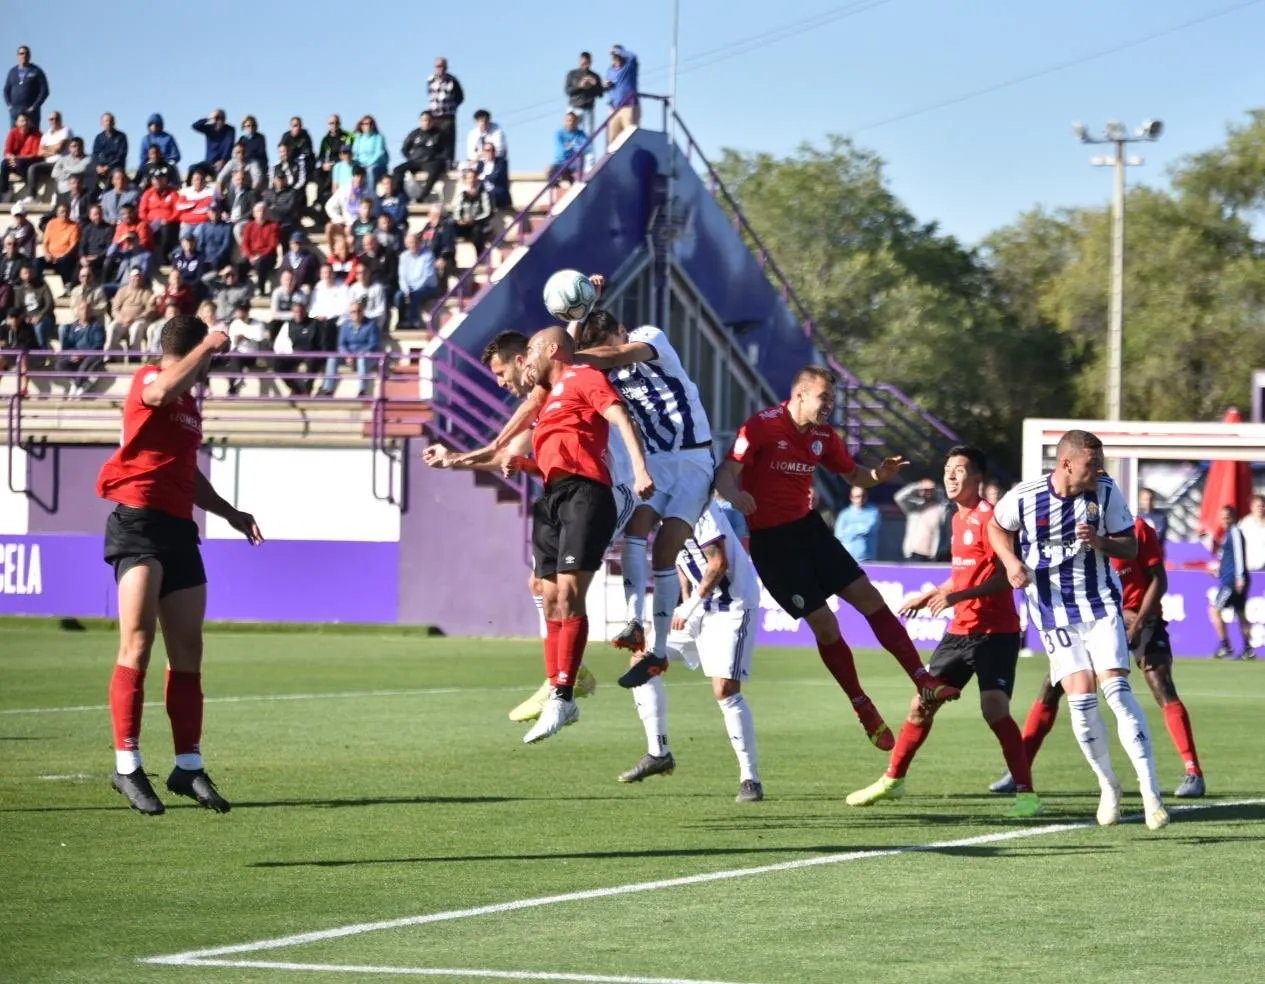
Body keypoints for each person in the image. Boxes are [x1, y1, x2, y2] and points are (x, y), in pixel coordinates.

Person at [424, 327, 654, 744]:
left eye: (530, 350)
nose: (526, 361)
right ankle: (557, 685)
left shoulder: (583, 377)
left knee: (568, 593)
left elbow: (618, 414)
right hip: (552, 497)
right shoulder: (547, 401)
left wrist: (640, 468)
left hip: (587, 495)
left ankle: (563, 697)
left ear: (549, 349)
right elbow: (513, 454)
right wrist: (455, 458)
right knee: (546, 595)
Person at [714, 365, 961, 751]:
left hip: (809, 530)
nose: (829, 405)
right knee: (826, 625)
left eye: (833, 399)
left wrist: (879, 474)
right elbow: (726, 473)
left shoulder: (824, 437)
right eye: (824, 398)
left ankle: (923, 680)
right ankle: (862, 705)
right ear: (799, 395)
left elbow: (855, 476)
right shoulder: (761, 427)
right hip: (772, 544)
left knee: (871, 599)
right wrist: (734, 495)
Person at [96, 314, 262, 815]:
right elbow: (161, 390)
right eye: (211, 357)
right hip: (138, 524)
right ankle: (127, 765)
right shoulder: (152, 378)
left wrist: (231, 513)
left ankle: (188, 765)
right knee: (139, 642)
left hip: (177, 529)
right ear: (197, 351)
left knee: (188, 647)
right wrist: (210, 342)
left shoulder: (189, 406)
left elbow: (186, 476)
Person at [987, 429, 1168, 830]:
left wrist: (1101, 541)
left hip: (1101, 604)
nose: (1099, 470)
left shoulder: (1105, 492)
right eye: (1092, 463)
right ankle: (1109, 786)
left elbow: (1130, 549)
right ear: (1067, 464)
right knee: (1081, 703)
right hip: (1052, 613)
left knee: (1118, 694)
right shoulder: (1025, 496)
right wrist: (1011, 563)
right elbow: (996, 527)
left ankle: (1151, 792)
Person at [846, 447, 1041, 818]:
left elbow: (1005, 578)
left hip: (995, 632)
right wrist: (934, 592)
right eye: (947, 470)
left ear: (977, 478)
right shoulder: (956, 518)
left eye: (959, 470)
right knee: (922, 704)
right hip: (959, 630)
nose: (950, 477)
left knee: (994, 708)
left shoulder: (992, 519)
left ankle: (1026, 793)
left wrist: (958, 595)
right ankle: (893, 780)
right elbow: (965, 572)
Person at [991, 513, 1206, 800]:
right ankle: (1019, 772)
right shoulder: (1072, 530)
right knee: (1051, 687)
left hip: (1141, 618)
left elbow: (1159, 580)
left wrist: (1140, 622)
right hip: (1097, 620)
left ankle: (1193, 772)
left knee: (1161, 683)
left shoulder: (1137, 528)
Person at [628, 499, 765, 802]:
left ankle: (750, 778)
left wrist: (690, 605)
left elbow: (718, 562)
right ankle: (658, 752)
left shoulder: (700, 509)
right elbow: (680, 560)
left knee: (725, 690)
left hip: (733, 605)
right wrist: (686, 598)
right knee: (642, 660)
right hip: (700, 606)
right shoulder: (665, 514)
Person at [1208, 504, 1253, 660]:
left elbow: (1239, 556)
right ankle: (1248, 649)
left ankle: (1226, 645)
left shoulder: (1234, 532)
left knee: (1214, 610)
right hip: (1231, 577)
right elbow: (1227, 557)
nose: (1224, 520)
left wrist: (1239, 577)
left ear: (1234, 517)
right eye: (1222, 518)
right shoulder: (1227, 534)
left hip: (1232, 581)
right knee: (1241, 614)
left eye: (1227, 517)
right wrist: (1217, 570)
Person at [5, 46, 49, 128]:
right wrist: (9, 105)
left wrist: (34, 106)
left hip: (31, 110)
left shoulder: (36, 71)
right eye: (21, 53)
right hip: (15, 110)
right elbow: (6, 90)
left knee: (32, 138)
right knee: (15, 136)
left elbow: (45, 91)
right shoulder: (12, 72)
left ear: (30, 55)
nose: (24, 55)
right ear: (17, 56)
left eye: (26, 53)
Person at [833, 487, 881, 562]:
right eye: (857, 496)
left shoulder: (873, 512)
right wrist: (860, 528)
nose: (860, 499)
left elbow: (869, 529)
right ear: (851, 498)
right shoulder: (844, 514)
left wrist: (849, 529)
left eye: (863, 496)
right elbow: (839, 535)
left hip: (866, 559)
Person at [1238, 493, 1265, 573]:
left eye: (1262, 506)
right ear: (1252, 507)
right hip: (1251, 566)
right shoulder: (1245, 524)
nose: (1260, 508)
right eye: (1258, 506)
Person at [1136, 487, 1168, 553]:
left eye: (1150, 499)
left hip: (1155, 556)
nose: (1148, 502)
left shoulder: (1161, 517)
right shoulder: (1137, 518)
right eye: (1145, 499)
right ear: (1140, 500)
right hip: (1140, 556)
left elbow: (1158, 537)